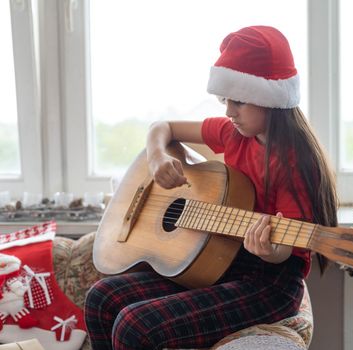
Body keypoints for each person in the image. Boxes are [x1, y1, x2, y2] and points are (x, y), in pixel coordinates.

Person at [84, 25, 338, 350]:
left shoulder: (296, 164)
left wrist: (270, 249)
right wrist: (158, 157)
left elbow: (287, 249)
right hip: (224, 260)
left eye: (240, 102)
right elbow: (161, 127)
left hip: (270, 283)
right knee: (101, 298)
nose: (229, 112)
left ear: (270, 98)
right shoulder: (233, 133)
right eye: (226, 100)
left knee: (136, 325)